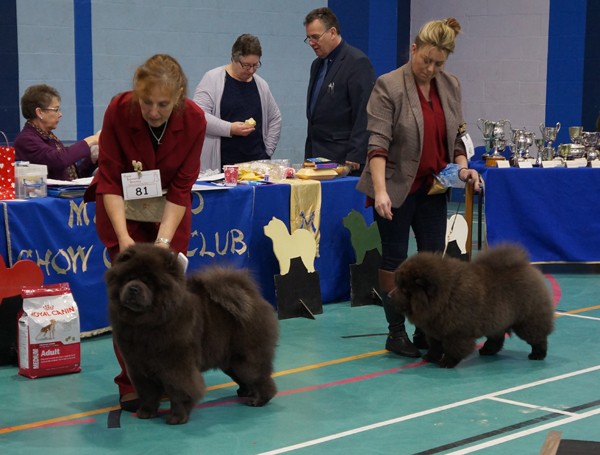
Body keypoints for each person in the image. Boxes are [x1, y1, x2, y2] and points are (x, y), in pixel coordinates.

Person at [84, 54, 207, 411]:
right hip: (122, 212)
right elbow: (108, 179)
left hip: (169, 212)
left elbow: (183, 186)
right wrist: (124, 240)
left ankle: (171, 376)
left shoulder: (195, 120)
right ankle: (132, 381)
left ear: (180, 95)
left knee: (170, 303)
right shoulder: (118, 111)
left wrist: (163, 245)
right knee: (128, 303)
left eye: (163, 104)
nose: (153, 111)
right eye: (147, 102)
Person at [356, 18, 480, 358]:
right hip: (394, 187)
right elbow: (377, 146)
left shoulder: (450, 84)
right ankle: (396, 333)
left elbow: (457, 136)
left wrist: (464, 168)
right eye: (426, 60)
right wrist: (380, 191)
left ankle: (427, 330)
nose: (431, 68)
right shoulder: (389, 85)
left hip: (433, 187)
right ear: (413, 49)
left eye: (439, 63)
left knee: (432, 263)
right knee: (395, 260)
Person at [193, 34, 281, 172]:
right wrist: (230, 129)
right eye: (246, 66)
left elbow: (275, 118)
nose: (251, 70)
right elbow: (199, 116)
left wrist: (267, 152)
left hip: (255, 166)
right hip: (222, 166)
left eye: (255, 65)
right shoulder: (212, 79)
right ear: (233, 59)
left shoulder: (261, 85)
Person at [304, 7, 376, 176]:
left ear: (332, 32)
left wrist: (356, 153)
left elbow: (365, 112)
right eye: (309, 38)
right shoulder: (317, 65)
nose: (312, 43)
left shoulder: (357, 62)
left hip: (344, 160)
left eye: (315, 37)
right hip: (316, 158)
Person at [14, 84, 100, 180]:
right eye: (56, 110)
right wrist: (91, 140)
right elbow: (59, 161)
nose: (60, 114)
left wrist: (92, 160)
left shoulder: (49, 137)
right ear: (39, 112)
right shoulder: (26, 140)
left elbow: (71, 177)